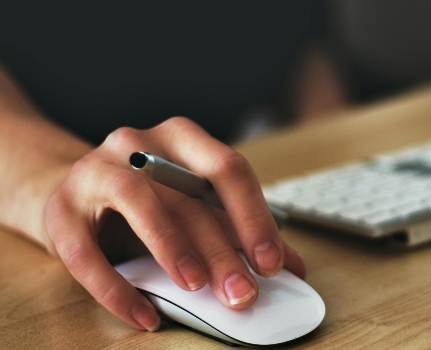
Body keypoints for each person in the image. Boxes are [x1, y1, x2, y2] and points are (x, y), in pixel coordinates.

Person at [0, 1, 342, 332]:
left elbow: (309, 48)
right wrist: (60, 180)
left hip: (224, 183)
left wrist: (339, 174)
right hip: (72, 159)